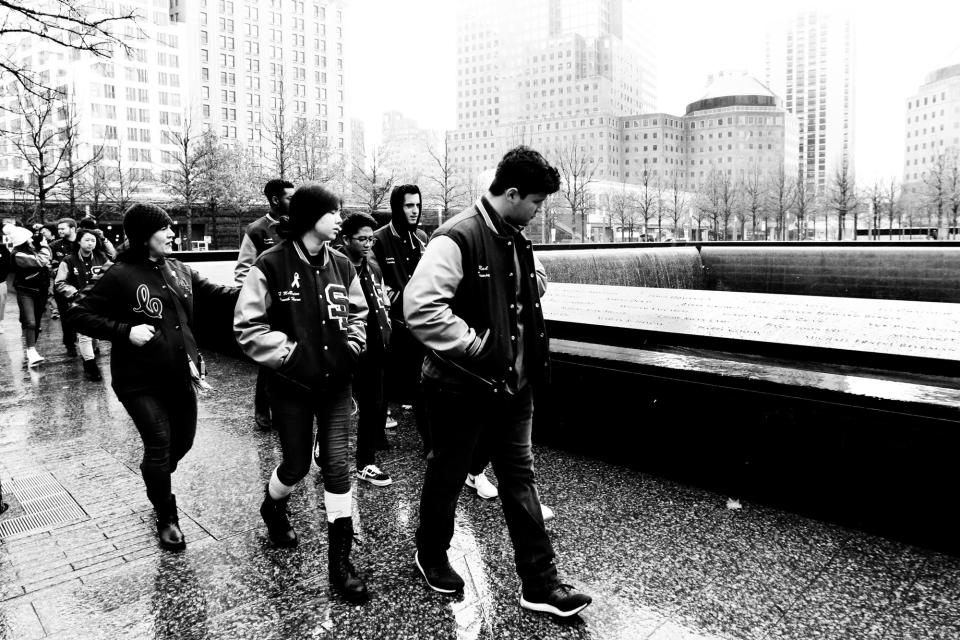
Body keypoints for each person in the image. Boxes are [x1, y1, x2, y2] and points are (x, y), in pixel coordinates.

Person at [404, 146, 591, 618]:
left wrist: (529, 281)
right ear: (511, 193)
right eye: (537, 202)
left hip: (513, 385)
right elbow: (420, 308)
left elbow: (534, 285)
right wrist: (474, 345)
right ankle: (431, 554)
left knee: (520, 478)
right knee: (447, 473)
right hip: (459, 385)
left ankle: (540, 581)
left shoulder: (515, 234)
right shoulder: (457, 237)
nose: (539, 211)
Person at [68, 203, 238, 551]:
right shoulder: (120, 274)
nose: (173, 234)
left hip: (179, 374)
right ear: (146, 235)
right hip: (138, 380)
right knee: (159, 445)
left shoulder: (179, 269)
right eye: (166, 228)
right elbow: (77, 313)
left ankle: (155, 478)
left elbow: (221, 297)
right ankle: (166, 515)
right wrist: (124, 331)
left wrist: (262, 288)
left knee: (182, 443)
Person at [234, 183, 371, 604]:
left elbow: (359, 313)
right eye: (334, 212)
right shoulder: (270, 264)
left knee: (337, 468)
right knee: (294, 466)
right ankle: (272, 506)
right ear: (313, 216)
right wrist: (292, 355)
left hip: (336, 386)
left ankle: (340, 563)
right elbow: (247, 326)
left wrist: (352, 345)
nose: (340, 219)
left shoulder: (344, 264)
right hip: (291, 387)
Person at [371, 184, 430, 454]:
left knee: (423, 383)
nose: (414, 210)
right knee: (381, 384)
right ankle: (374, 435)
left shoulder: (421, 237)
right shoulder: (379, 239)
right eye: (409, 205)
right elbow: (375, 283)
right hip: (389, 324)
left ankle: (430, 440)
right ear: (397, 207)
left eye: (417, 205)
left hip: (417, 323)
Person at [336, 212, 393, 487]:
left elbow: (383, 302)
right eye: (361, 239)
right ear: (345, 239)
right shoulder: (335, 267)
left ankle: (365, 463)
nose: (368, 244)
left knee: (373, 407)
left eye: (371, 238)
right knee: (339, 406)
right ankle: (326, 447)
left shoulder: (374, 267)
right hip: (346, 350)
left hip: (376, 348)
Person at [235, 178, 295, 431]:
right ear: (274, 200)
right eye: (289, 197)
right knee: (268, 364)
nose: (294, 201)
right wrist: (259, 302)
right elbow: (242, 272)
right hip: (270, 309)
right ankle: (262, 409)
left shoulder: (299, 225)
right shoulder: (257, 229)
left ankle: (290, 410)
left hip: (294, 304)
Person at [55, 228, 111, 381]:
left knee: (94, 334)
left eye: (93, 240)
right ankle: (90, 365)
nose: (90, 243)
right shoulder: (68, 260)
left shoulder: (102, 258)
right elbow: (60, 282)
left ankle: (91, 354)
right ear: (79, 241)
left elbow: (112, 275)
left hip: (98, 303)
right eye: (87, 240)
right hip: (79, 304)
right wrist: (75, 293)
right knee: (84, 334)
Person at [5, 223, 51, 366]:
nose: (32, 240)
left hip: (41, 291)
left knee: (35, 323)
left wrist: (41, 243)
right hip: (25, 291)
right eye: (29, 239)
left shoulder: (32, 249)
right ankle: (31, 351)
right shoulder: (18, 254)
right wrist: (44, 246)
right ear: (24, 241)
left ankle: (32, 351)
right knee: (30, 322)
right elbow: (41, 261)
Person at [50, 218, 79, 354]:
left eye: (63, 228)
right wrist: (54, 271)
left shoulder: (82, 242)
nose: (59, 231)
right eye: (59, 229)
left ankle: (91, 344)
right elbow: (48, 264)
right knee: (66, 317)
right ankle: (70, 344)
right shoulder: (54, 245)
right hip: (62, 287)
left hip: (81, 285)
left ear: (72, 229)